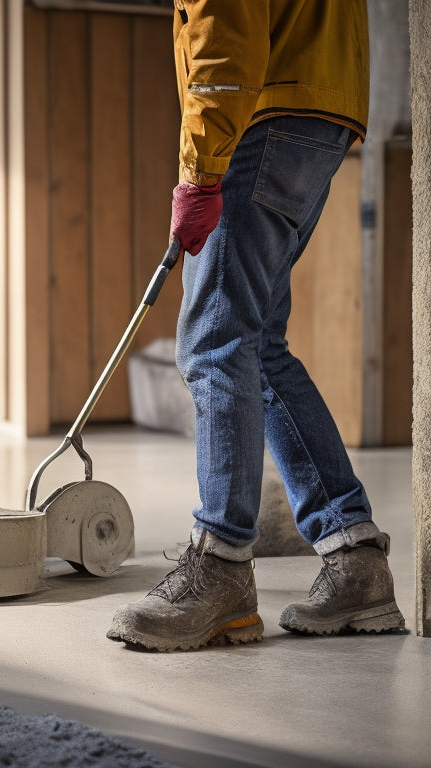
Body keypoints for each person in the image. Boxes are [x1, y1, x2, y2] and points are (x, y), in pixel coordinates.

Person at [107, 0, 405, 651]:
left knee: (216, 341)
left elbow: (222, 27)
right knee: (258, 345)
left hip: (265, 113)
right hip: (319, 109)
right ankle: (355, 557)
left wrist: (199, 169)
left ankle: (220, 569)